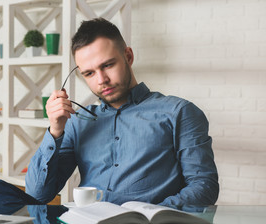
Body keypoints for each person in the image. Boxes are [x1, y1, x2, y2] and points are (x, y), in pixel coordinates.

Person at [25, 18, 219, 207]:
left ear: (128, 56)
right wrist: (55, 130)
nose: (101, 80)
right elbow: (38, 195)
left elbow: (204, 186)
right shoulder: (78, 122)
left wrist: (150, 215)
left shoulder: (179, 113)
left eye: (108, 65)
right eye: (89, 73)